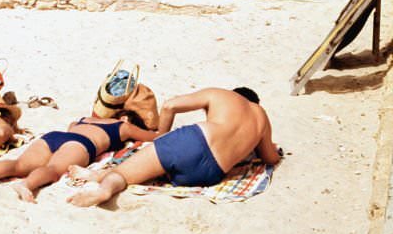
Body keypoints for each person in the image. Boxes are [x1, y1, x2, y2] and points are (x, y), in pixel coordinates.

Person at [67, 87, 280, 207]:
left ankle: (104, 191)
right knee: (152, 171)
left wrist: (161, 137)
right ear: (256, 103)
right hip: (209, 173)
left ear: (236, 94)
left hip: (195, 140)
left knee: (126, 173)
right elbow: (270, 158)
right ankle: (99, 175)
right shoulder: (261, 117)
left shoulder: (222, 95)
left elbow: (170, 105)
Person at [0, 110, 157, 201]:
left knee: (19, 164)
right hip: (80, 144)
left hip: (57, 135)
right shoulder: (124, 126)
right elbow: (157, 137)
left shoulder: (84, 119)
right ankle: (26, 185)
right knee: (52, 170)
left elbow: (71, 127)